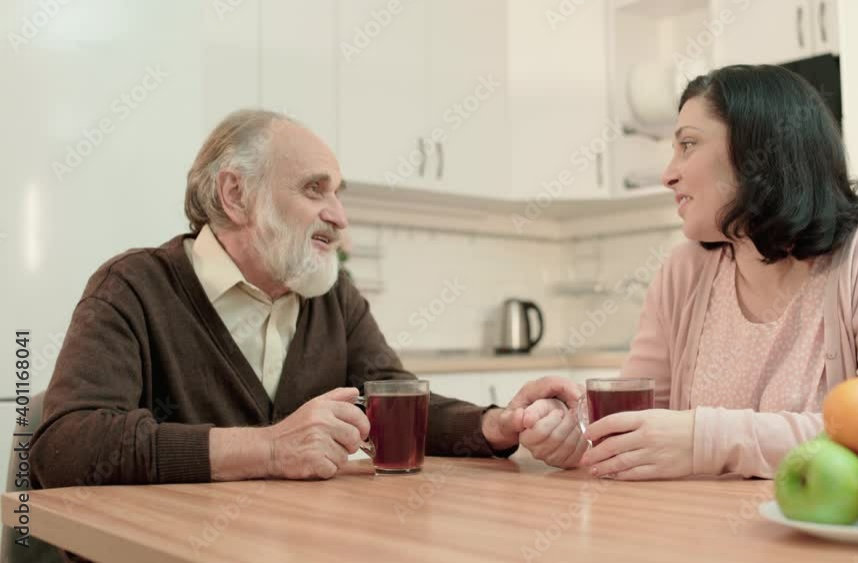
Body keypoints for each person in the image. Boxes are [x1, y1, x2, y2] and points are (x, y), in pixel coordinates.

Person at [29, 109, 587, 493]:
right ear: (235, 193)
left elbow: (390, 399)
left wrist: (496, 424)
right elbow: (66, 450)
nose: (340, 216)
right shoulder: (132, 288)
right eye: (315, 189)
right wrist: (269, 449)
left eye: (338, 194)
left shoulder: (331, 297)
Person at [577, 65, 858, 480]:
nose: (668, 174)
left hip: (828, 538)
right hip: (694, 533)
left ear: (759, 153)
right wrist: (566, 427)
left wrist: (708, 440)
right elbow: (638, 429)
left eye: (688, 145)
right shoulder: (684, 271)